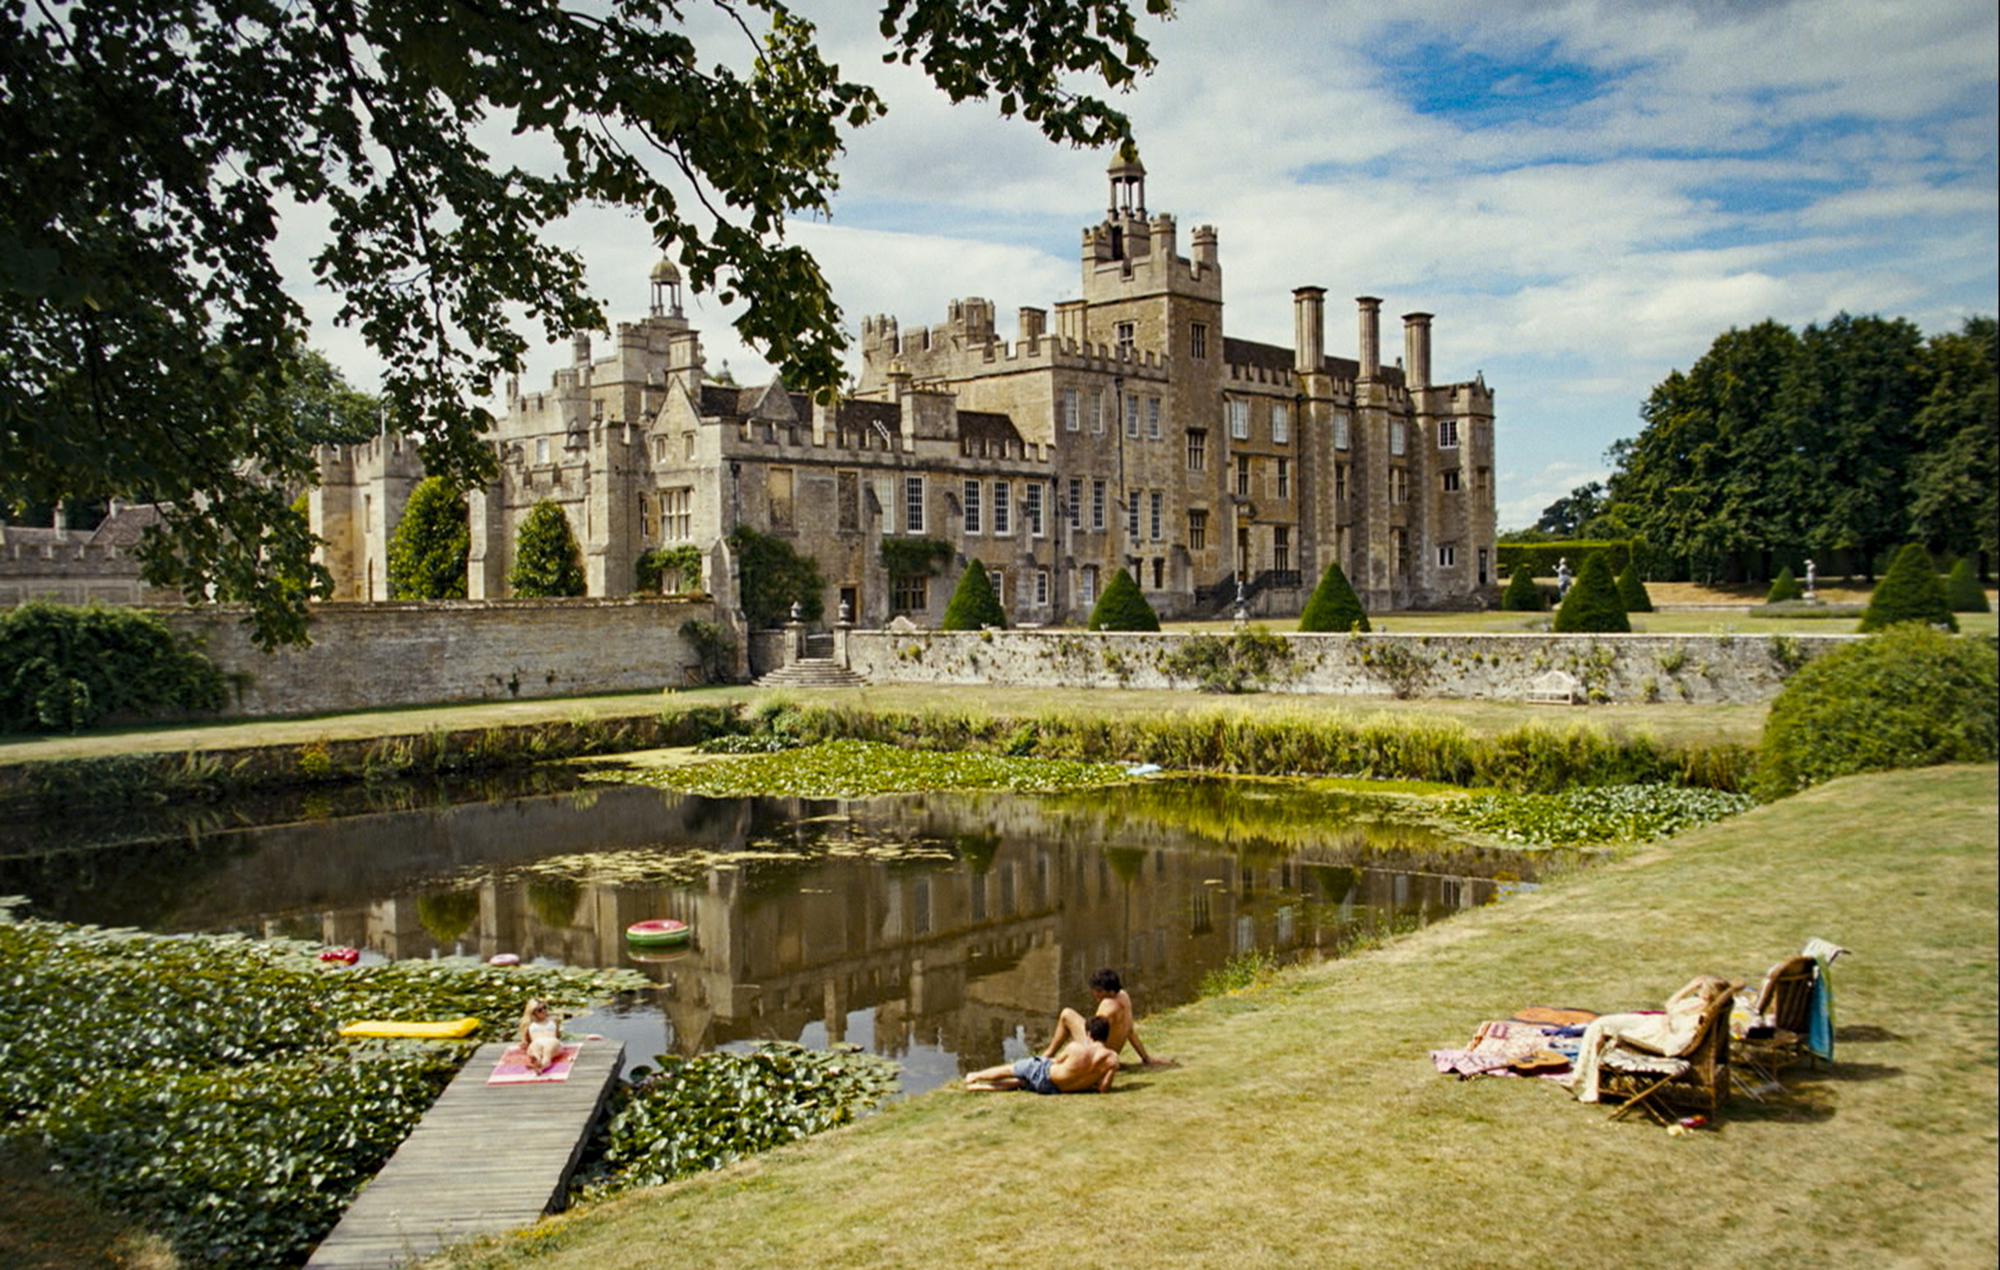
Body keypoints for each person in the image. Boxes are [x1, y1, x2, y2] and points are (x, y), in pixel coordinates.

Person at [1569, 974, 1735, 1103]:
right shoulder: (1698, 1004)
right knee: (1599, 1023)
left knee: (1600, 1034)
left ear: (1708, 996)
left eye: (1701, 989)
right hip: (1650, 1022)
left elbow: (1672, 1049)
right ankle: (1579, 1078)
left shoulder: (1697, 1021)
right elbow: (1669, 1004)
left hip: (1652, 1037)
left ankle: (1587, 1087)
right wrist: (1689, 986)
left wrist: (1668, 1025)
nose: (1698, 992)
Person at [1042, 967, 1173, 1067]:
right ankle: (1049, 1056)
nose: (1095, 994)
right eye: (1095, 990)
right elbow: (1130, 1031)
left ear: (1110, 991)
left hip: (1100, 1052)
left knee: (1066, 1014)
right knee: (1075, 1019)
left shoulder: (1107, 1005)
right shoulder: (1124, 997)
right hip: (1112, 1050)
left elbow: (1094, 1035)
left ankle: (1047, 1056)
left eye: (1099, 991)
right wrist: (1146, 1058)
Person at [965, 1015, 1120, 1094]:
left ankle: (975, 1076)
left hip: (1045, 1075)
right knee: (1020, 1083)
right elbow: (1103, 1089)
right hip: (1055, 1089)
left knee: (1012, 1069)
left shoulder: (1076, 1048)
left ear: (1088, 1033)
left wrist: (1044, 1058)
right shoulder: (1112, 1059)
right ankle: (981, 1087)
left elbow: (1057, 1061)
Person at [518, 999, 564, 1073]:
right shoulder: (528, 1024)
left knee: (548, 1049)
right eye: (539, 1010)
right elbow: (525, 1041)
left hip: (551, 1040)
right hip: (537, 1041)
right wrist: (524, 1044)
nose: (543, 1011)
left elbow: (558, 1035)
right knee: (535, 1047)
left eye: (544, 1008)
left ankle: (542, 1065)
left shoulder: (553, 1020)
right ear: (533, 1012)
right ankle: (537, 1062)